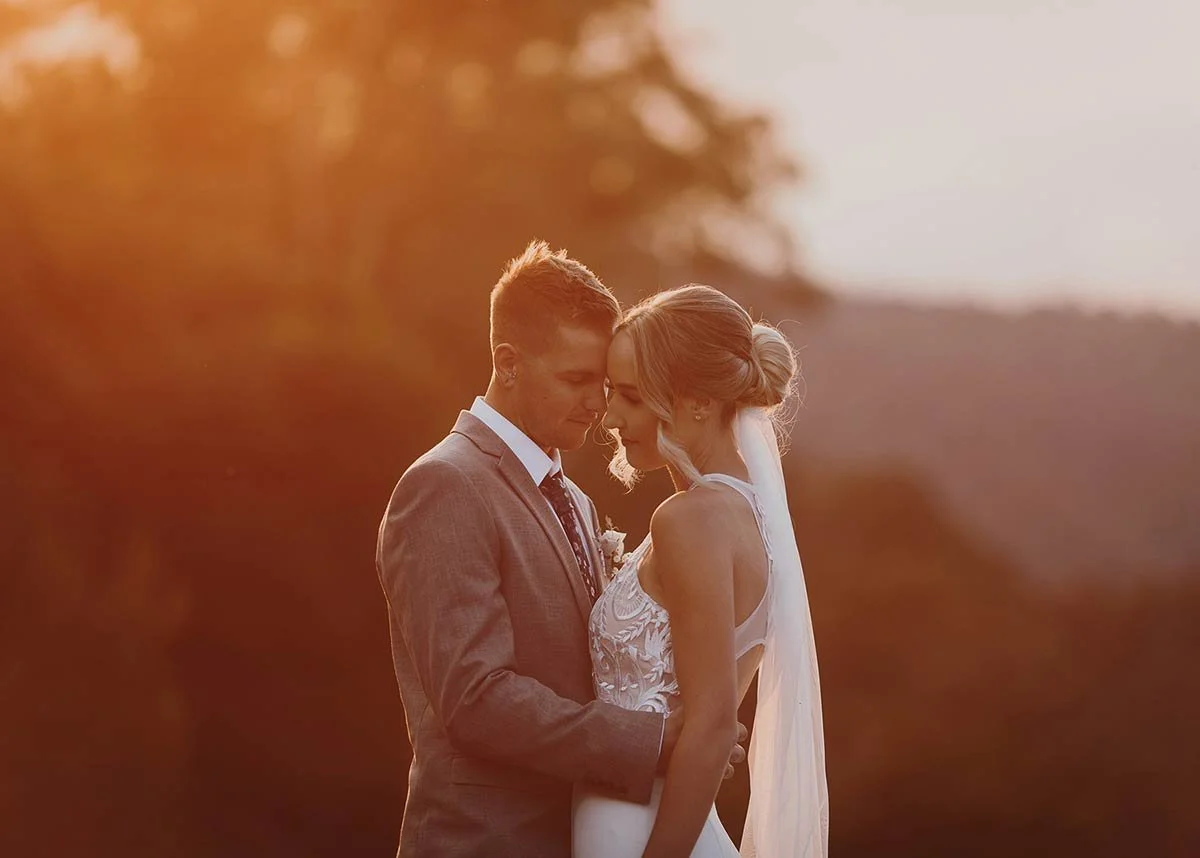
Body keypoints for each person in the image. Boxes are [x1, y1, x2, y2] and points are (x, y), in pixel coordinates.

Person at [375, 243, 743, 857]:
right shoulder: (444, 485)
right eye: (576, 381)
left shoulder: (570, 494)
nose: (598, 405)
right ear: (508, 363)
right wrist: (651, 741)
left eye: (603, 384)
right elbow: (476, 698)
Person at [573, 284, 828, 857]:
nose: (610, 416)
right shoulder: (752, 516)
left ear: (699, 402)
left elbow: (712, 726)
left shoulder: (691, 520)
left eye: (633, 397)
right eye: (612, 392)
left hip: (637, 829)